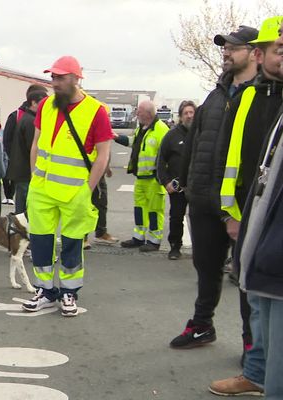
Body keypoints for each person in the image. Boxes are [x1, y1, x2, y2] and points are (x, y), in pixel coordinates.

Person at [170, 25, 259, 349]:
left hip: (243, 205)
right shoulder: (216, 94)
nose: (226, 52)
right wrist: (189, 189)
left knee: (247, 278)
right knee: (206, 269)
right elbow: (193, 145)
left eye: (234, 47)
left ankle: (253, 343)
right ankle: (202, 325)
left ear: (254, 52)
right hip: (205, 200)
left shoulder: (264, 95)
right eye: (225, 47)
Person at [209, 15, 283, 398]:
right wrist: (229, 212)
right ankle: (255, 371)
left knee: (267, 302)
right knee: (253, 295)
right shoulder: (250, 96)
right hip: (250, 211)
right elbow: (230, 156)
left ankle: (262, 373)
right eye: (277, 49)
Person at [21, 56, 111, 317]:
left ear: (76, 78)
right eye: (53, 77)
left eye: (60, 78)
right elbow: (36, 143)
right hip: (42, 189)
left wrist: (87, 188)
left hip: (75, 191)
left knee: (72, 243)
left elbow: (103, 155)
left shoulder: (96, 111)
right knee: (40, 240)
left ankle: (69, 292)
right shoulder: (47, 105)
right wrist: (34, 176)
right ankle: (45, 291)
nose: (54, 82)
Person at [116, 101, 170, 252]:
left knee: (154, 211)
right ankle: (138, 237)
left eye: (139, 111)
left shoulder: (161, 130)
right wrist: (116, 137)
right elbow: (134, 143)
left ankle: (154, 240)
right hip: (141, 177)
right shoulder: (142, 128)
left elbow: (167, 155)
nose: (137, 114)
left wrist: (163, 176)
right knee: (140, 209)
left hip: (154, 179)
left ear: (148, 113)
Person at [156, 100, 196, 260]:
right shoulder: (171, 135)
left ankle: (201, 250)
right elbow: (160, 161)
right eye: (185, 113)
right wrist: (165, 182)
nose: (189, 116)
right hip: (177, 187)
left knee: (199, 219)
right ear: (180, 116)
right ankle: (174, 247)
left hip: (196, 186)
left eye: (191, 112)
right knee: (177, 217)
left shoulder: (201, 134)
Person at [2, 84, 48, 206]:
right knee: (25, 211)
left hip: (21, 172)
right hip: (26, 172)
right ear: (33, 103)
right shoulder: (31, 121)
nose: (46, 107)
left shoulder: (27, 118)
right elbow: (33, 147)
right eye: (42, 103)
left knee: (21, 209)